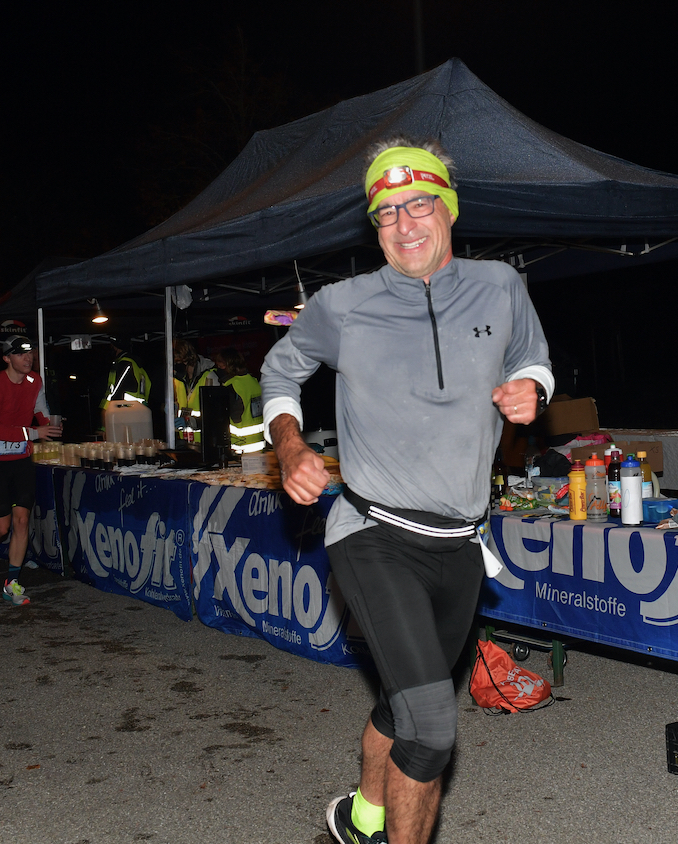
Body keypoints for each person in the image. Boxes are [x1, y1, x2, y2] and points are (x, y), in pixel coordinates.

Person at [260, 137, 553, 844]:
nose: (405, 224)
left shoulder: (500, 285)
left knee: (403, 704)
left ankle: (360, 818)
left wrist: (532, 392)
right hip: (373, 532)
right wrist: (291, 444)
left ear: (447, 210)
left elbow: (533, 357)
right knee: (432, 729)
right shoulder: (341, 304)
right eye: (387, 213)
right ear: (375, 226)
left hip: (459, 545)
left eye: (419, 205)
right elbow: (280, 371)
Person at [0, 336, 62, 605]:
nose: (28, 359)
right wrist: (35, 431)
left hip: (21, 457)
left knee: (22, 520)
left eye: (31, 354)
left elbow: (40, 408)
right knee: (1, 527)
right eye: (21, 354)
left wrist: (51, 425)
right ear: (7, 358)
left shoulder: (35, 380)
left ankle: (12, 583)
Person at [213, 347, 265, 454]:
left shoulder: (232, 386)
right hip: (259, 444)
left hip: (240, 447)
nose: (218, 367)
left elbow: (228, 416)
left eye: (220, 364)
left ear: (228, 364)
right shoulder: (254, 381)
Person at [172, 339, 220, 433]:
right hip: (185, 439)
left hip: (204, 440)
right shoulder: (179, 379)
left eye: (177, 362)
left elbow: (215, 415)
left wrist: (189, 422)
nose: (175, 367)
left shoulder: (209, 377)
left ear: (186, 360)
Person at [100, 335, 151, 409]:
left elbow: (115, 391)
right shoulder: (136, 364)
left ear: (116, 347)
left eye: (112, 346)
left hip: (124, 409)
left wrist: (105, 409)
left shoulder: (125, 364)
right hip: (138, 409)